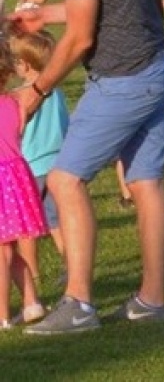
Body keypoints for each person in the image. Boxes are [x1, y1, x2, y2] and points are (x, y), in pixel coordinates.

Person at [19, 0, 164, 334]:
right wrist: (39, 15)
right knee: (146, 183)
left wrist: (38, 90)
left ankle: (79, 304)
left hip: (125, 81)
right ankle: (151, 301)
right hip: (160, 72)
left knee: (66, 181)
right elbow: (107, 5)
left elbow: (82, 37)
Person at [9, 30, 65, 326]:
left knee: (25, 232)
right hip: (56, 163)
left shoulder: (20, 96)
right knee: (56, 222)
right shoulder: (55, 92)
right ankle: (71, 264)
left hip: (28, 167)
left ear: (25, 64)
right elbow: (65, 125)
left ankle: (32, 282)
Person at [1, 44, 50, 330]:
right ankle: (31, 303)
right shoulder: (17, 102)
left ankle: (3, 315)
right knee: (10, 248)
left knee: (3, 252)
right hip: (17, 178)